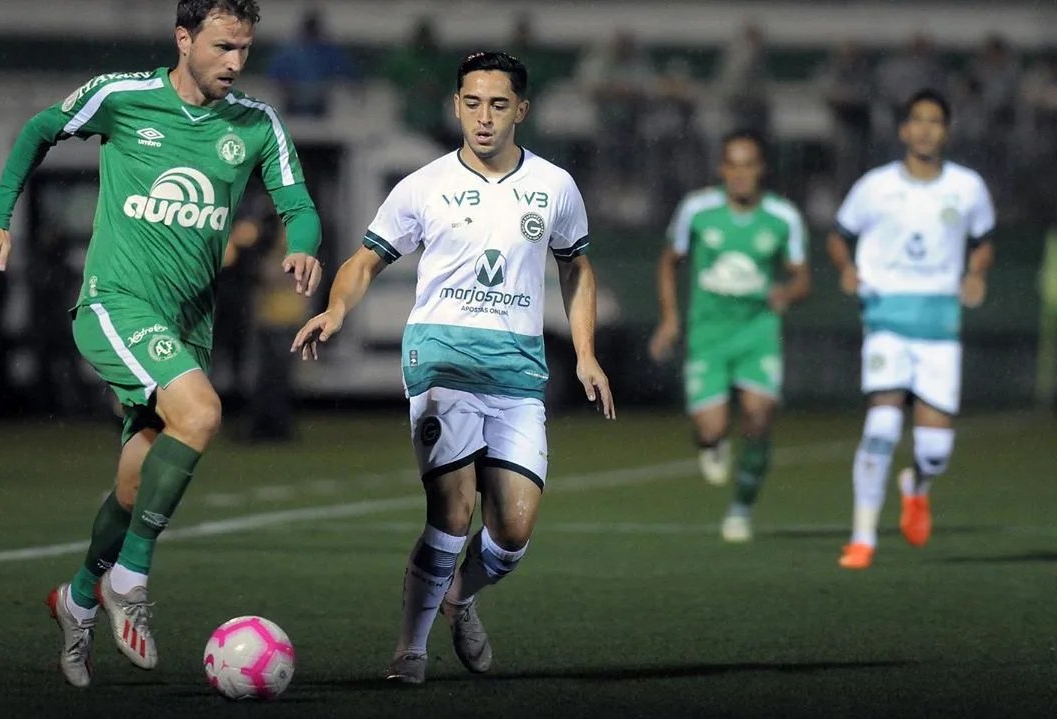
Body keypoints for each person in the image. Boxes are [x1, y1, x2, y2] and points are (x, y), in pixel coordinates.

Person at [0, 0, 323, 687]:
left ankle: (76, 596)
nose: (235, 62)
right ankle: (128, 578)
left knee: (135, 487)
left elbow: (297, 203)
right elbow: (40, 130)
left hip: (187, 326)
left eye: (245, 50)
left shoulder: (255, 124)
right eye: (223, 46)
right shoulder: (123, 97)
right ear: (184, 38)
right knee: (201, 413)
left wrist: (304, 248)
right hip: (115, 303)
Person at [292, 51, 615, 685]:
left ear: (521, 110)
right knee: (453, 509)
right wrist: (334, 311)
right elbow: (365, 260)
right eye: (472, 103)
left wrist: (585, 353)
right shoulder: (423, 185)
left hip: (519, 371)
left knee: (513, 533)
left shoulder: (554, 186)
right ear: (456, 106)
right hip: (441, 360)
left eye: (499, 105)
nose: (484, 117)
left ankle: (459, 596)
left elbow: (575, 267)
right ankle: (409, 652)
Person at [828, 89, 995, 570]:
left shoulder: (967, 187)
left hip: (940, 324)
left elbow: (984, 242)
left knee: (935, 449)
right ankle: (862, 538)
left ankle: (916, 485)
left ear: (946, 130)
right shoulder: (875, 186)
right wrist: (846, 268)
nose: (925, 129)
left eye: (935, 121)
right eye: (917, 120)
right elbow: (839, 235)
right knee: (881, 422)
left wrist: (977, 271)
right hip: (886, 318)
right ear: (903, 130)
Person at [649, 130, 810, 543]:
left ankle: (741, 508)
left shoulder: (782, 217)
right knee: (711, 428)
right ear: (722, 169)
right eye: (732, 165)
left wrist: (787, 292)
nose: (740, 174)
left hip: (758, 332)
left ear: (762, 169)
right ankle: (711, 442)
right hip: (709, 335)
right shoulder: (698, 210)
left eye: (749, 164)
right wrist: (670, 319)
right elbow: (669, 263)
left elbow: (802, 279)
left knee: (758, 416)